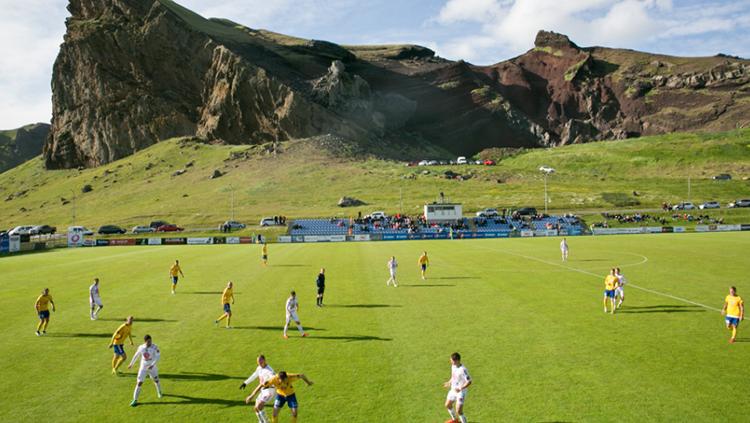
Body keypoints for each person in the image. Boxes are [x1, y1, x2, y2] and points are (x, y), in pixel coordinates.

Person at [247, 371, 313, 423]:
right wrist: (252, 395)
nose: (283, 382)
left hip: (291, 395)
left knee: (295, 413)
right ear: (279, 379)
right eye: (282, 381)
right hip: (280, 396)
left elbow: (302, 375)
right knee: (275, 414)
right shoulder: (273, 379)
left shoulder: (290, 376)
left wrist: (308, 382)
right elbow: (261, 385)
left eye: (285, 380)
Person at [128, 334, 162, 407]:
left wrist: (152, 364)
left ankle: (159, 391)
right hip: (143, 367)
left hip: (152, 367)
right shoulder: (141, 347)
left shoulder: (155, 347)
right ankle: (135, 400)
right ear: (145, 341)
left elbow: (158, 357)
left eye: (150, 341)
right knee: (139, 382)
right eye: (148, 342)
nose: (150, 343)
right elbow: (136, 355)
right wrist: (131, 364)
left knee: (156, 380)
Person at [241, 355, 276, 423]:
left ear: (264, 360)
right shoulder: (259, 368)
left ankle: (266, 422)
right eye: (258, 361)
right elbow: (254, 375)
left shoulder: (269, 371)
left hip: (269, 391)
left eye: (260, 361)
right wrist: (245, 383)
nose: (259, 362)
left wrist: (251, 396)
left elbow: (271, 379)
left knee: (259, 406)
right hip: (263, 390)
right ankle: (261, 421)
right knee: (256, 408)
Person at [444, 352, 472, 423]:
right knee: (448, 405)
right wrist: (449, 382)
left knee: (459, 411)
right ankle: (455, 420)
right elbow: (453, 376)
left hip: (461, 392)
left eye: (451, 360)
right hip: (453, 390)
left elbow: (469, 381)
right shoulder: (453, 366)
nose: (450, 361)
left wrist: (460, 388)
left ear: (457, 360)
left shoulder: (463, 370)